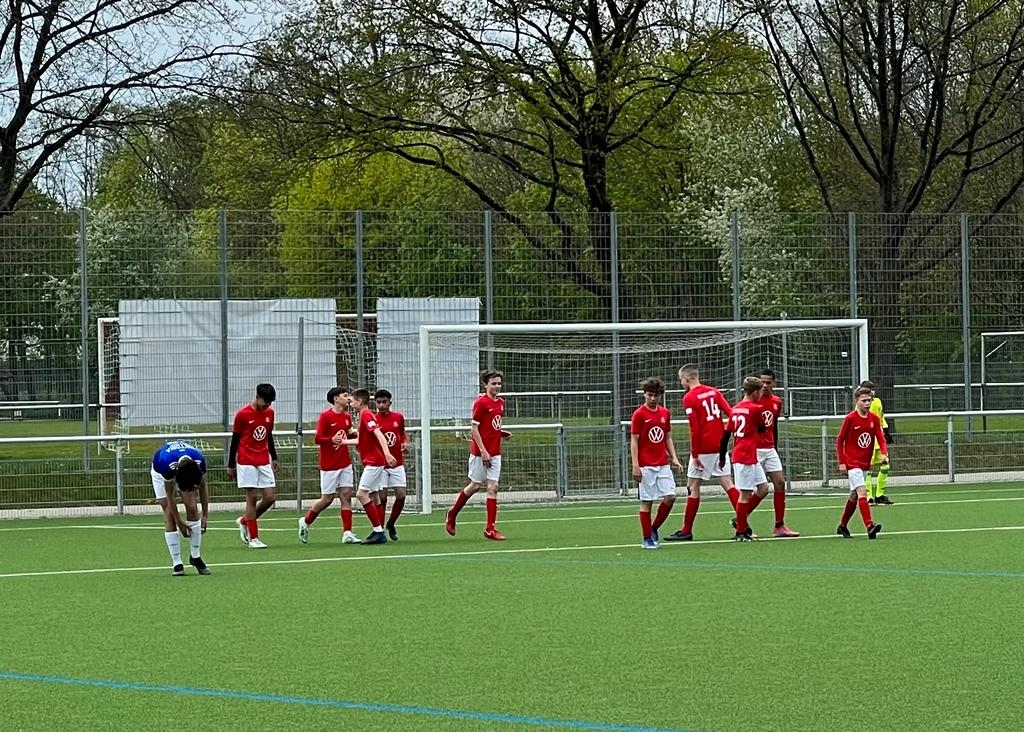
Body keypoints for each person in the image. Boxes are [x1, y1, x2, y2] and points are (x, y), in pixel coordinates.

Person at [664, 363, 739, 541]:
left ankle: (686, 530)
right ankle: (743, 525)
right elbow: (731, 413)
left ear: (686, 378)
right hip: (720, 446)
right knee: (728, 483)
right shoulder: (714, 392)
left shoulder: (689, 397)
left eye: (681, 379)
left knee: (693, 487)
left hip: (704, 448)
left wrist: (695, 454)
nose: (681, 383)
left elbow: (695, 428)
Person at [445, 369, 512, 541]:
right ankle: (452, 513)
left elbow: (490, 426)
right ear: (485, 385)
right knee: (474, 486)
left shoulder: (501, 402)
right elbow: (474, 429)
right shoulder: (481, 403)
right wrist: (483, 451)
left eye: (499, 383)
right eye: (493, 383)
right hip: (480, 453)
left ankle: (490, 529)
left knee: (493, 488)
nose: (497, 386)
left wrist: (500, 433)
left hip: (495, 452)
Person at [299, 386, 361, 545]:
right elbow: (318, 438)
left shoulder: (347, 416)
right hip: (329, 464)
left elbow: (349, 434)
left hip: (344, 462)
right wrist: (331, 440)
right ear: (336, 399)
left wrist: (359, 435)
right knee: (327, 499)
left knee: (346, 495)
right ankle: (306, 521)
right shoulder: (325, 416)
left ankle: (347, 532)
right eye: (345, 395)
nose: (348, 398)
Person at [629, 377, 682, 548]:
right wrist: (635, 465)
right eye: (649, 395)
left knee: (670, 497)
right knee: (647, 502)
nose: (652, 398)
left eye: (656, 395)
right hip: (645, 466)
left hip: (662, 464)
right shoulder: (639, 414)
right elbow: (634, 441)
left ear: (660, 396)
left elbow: (667, 437)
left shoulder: (665, 413)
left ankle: (653, 528)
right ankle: (647, 539)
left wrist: (674, 457)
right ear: (644, 394)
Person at [719, 376, 772, 541]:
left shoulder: (735, 409)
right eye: (760, 392)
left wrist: (722, 457)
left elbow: (726, 435)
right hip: (744, 456)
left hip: (747, 455)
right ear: (755, 392)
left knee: (763, 488)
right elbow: (762, 428)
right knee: (745, 494)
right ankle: (741, 531)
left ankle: (740, 519)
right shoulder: (755, 409)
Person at [227, 383, 278, 549]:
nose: (267, 405)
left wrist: (274, 457)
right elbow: (235, 440)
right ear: (257, 397)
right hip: (246, 460)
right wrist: (231, 464)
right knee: (252, 497)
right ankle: (253, 538)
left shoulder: (270, 413)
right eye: (265, 402)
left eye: (270, 403)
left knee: (270, 498)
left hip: (263, 459)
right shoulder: (242, 414)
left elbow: (268, 435)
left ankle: (245, 520)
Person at [151, 440, 211, 576]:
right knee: (168, 513)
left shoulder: (200, 462)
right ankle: (177, 562)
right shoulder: (166, 466)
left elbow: (202, 487)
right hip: (159, 472)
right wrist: (179, 522)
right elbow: (170, 496)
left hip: (184, 470)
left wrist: (205, 515)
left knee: (192, 507)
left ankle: (195, 556)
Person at [835, 387, 886, 539]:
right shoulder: (850, 418)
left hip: (864, 462)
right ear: (856, 401)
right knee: (862, 492)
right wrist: (842, 461)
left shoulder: (874, 419)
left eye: (869, 400)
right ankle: (870, 526)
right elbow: (840, 440)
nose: (867, 403)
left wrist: (884, 453)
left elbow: (880, 437)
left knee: (854, 495)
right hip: (852, 463)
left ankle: (842, 526)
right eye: (864, 400)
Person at [755, 369, 800, 537]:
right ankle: (740, 520)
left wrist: (775, 446)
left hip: (770, 448)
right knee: (757, 489)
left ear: (774, 383)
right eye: (762, 382)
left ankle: (779, 526)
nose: (765, 385)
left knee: (780, 483)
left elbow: (773, 426)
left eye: (768, 382)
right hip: (754, 449)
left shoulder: (776, 402)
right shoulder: (753, 401)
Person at [352, 387, 398, 545]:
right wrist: (343, 441)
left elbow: (378, 434)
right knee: (375, 496)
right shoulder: (365, 415)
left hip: (374, 461)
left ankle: (378, 531)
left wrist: (387, 453)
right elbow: (363, 440)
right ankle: (379, 529)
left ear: (360, 402)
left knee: (361, 494)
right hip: (373, 460)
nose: (351, 403)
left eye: (352, 401)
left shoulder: (366, 415)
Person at [374, 389, 408, 541]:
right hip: (380, 464)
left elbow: (402, 433)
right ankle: (380, 530)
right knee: (382, 497)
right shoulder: (373, 420)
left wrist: (404, 443)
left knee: (401, 495)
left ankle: (391, 523)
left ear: (390, 402)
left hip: (397, 462)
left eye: (384, 402)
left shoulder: (398, 417)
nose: (381, 405)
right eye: (378, 402)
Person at [860, 380, 895, 505]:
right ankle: (868, 496)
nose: (872, 392)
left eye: (873, 389)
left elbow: (881, 418)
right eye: (869, 390)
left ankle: (879, 495)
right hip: (867, 441)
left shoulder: (878, 402)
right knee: (868, 469)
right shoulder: (860, 405)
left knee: (885, 465)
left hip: (879, 440)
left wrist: (886, 431)